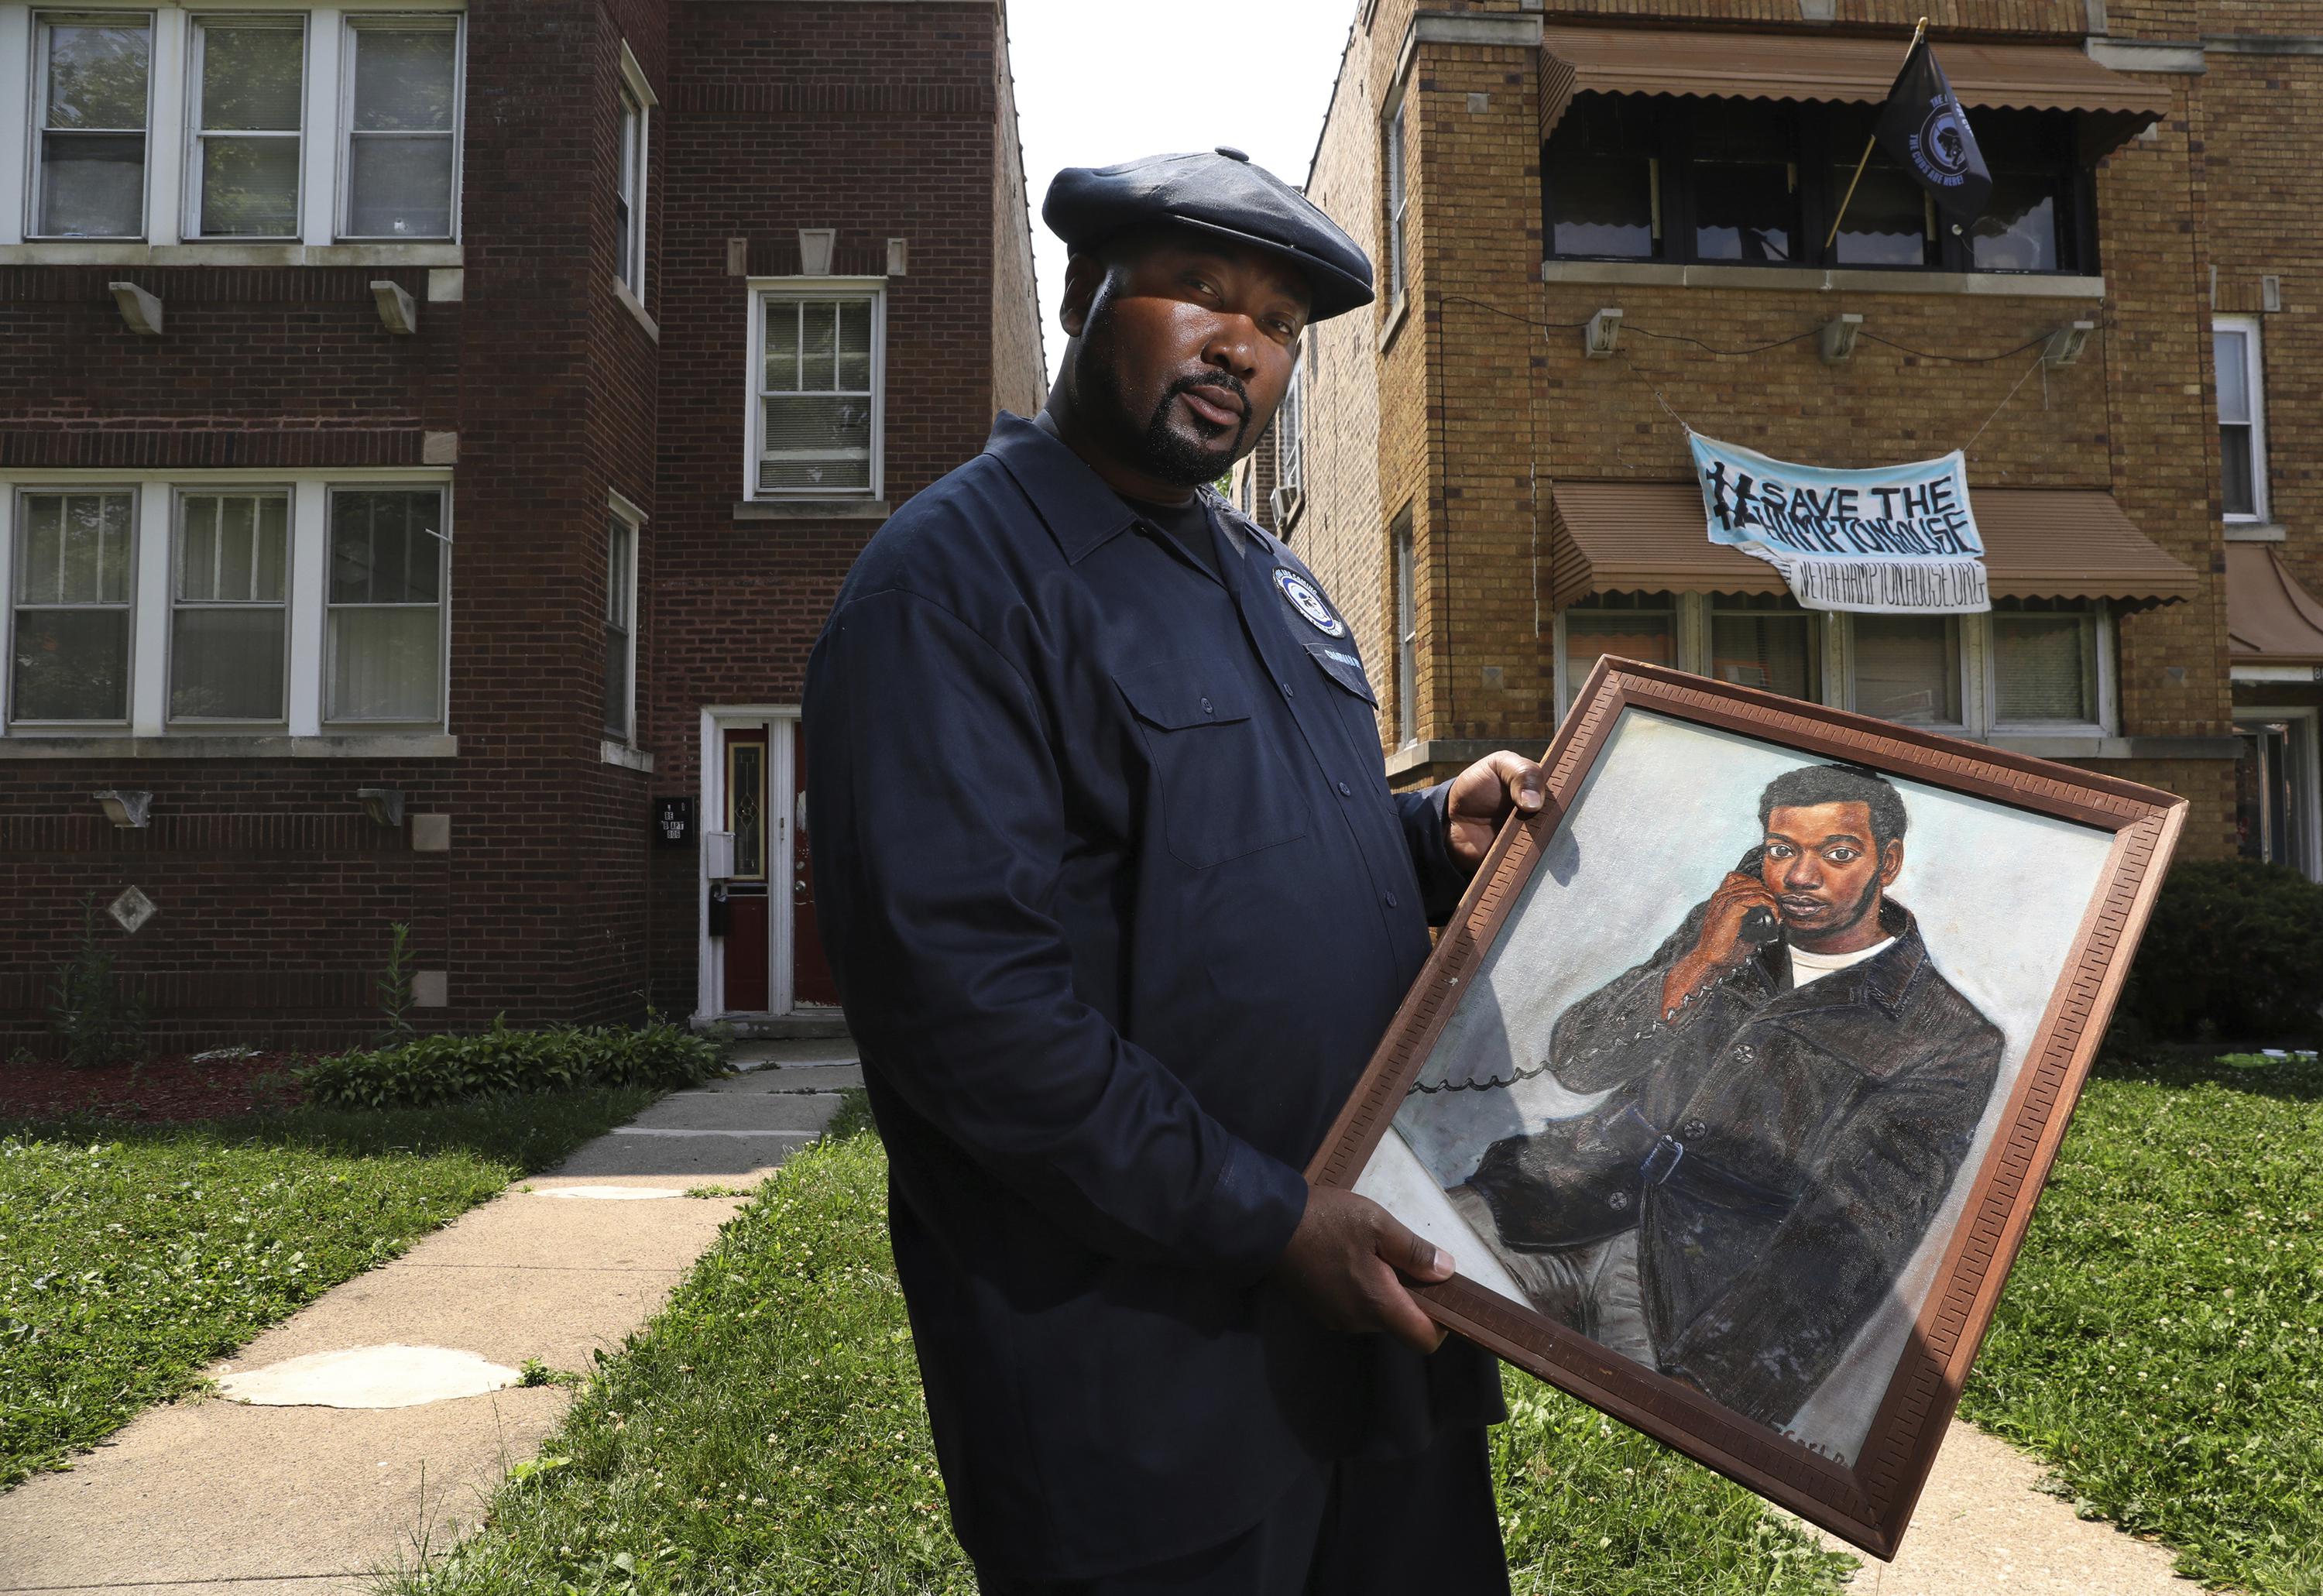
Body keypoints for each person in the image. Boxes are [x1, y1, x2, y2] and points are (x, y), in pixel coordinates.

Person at [802, 148, 1540, 1594]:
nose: (1242, 346)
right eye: (1198, 292)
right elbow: (971, 1013)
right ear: (1087, 293)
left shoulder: (1274, 580)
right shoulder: (953, 582)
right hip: (1141, 1397)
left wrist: (1424, 835)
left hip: (1376, 1361)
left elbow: (1219, 859)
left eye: (1277, 325)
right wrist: (1272, 1221)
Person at [1450, 764, 2003, 1431]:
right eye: (1782, 850)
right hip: (1557, 1206)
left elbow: (1850, 1243)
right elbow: (1578, 1060)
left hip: (1692, 1298)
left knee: (1643, 1464)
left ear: (1887, 863)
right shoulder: (1732, 929)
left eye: (1837, 852)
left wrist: (1724, 1390)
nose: (1799, 877)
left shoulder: (1944, 1035)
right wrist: (1702, 965)